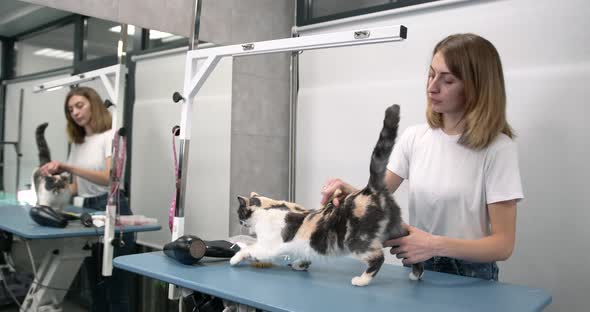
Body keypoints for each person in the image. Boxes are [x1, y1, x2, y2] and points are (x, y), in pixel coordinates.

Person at [320, 33, 523, 281]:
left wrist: (434, 245)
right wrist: (349, 193)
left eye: (447, 80)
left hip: (470, 276)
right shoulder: (415, 138)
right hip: (417, 267)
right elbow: (375, 198)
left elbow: (503, 245)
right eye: (431, 74)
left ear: (476, 88)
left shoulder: (498, 149)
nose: (432, 87)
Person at [40, 86, 134, 311]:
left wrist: (67, 166)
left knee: (116, 289)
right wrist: (54, 183)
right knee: (95, 287)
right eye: (70, 109)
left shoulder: (112, 135)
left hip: (113, 208)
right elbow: (75, 187)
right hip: (87, 212)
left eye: (79, 105)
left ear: (94, 104)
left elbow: (111, 179)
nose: (75, 112)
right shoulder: (78, 143)